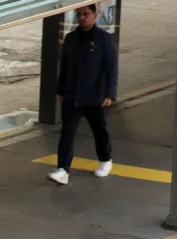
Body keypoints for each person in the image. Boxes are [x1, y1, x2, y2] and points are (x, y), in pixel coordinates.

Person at [47, 4, 118, 186]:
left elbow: (111, 68)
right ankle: (63, 169)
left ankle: (105, 159)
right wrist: (61, 89)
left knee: (99, 130)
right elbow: (64, 66)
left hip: (94, 96)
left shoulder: (104, 39)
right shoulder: (71, 39)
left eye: (86, 14)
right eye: (79, 14)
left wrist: (109, 93)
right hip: (72, 94)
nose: (82, 18)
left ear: (95, 15)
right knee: (67, 132)